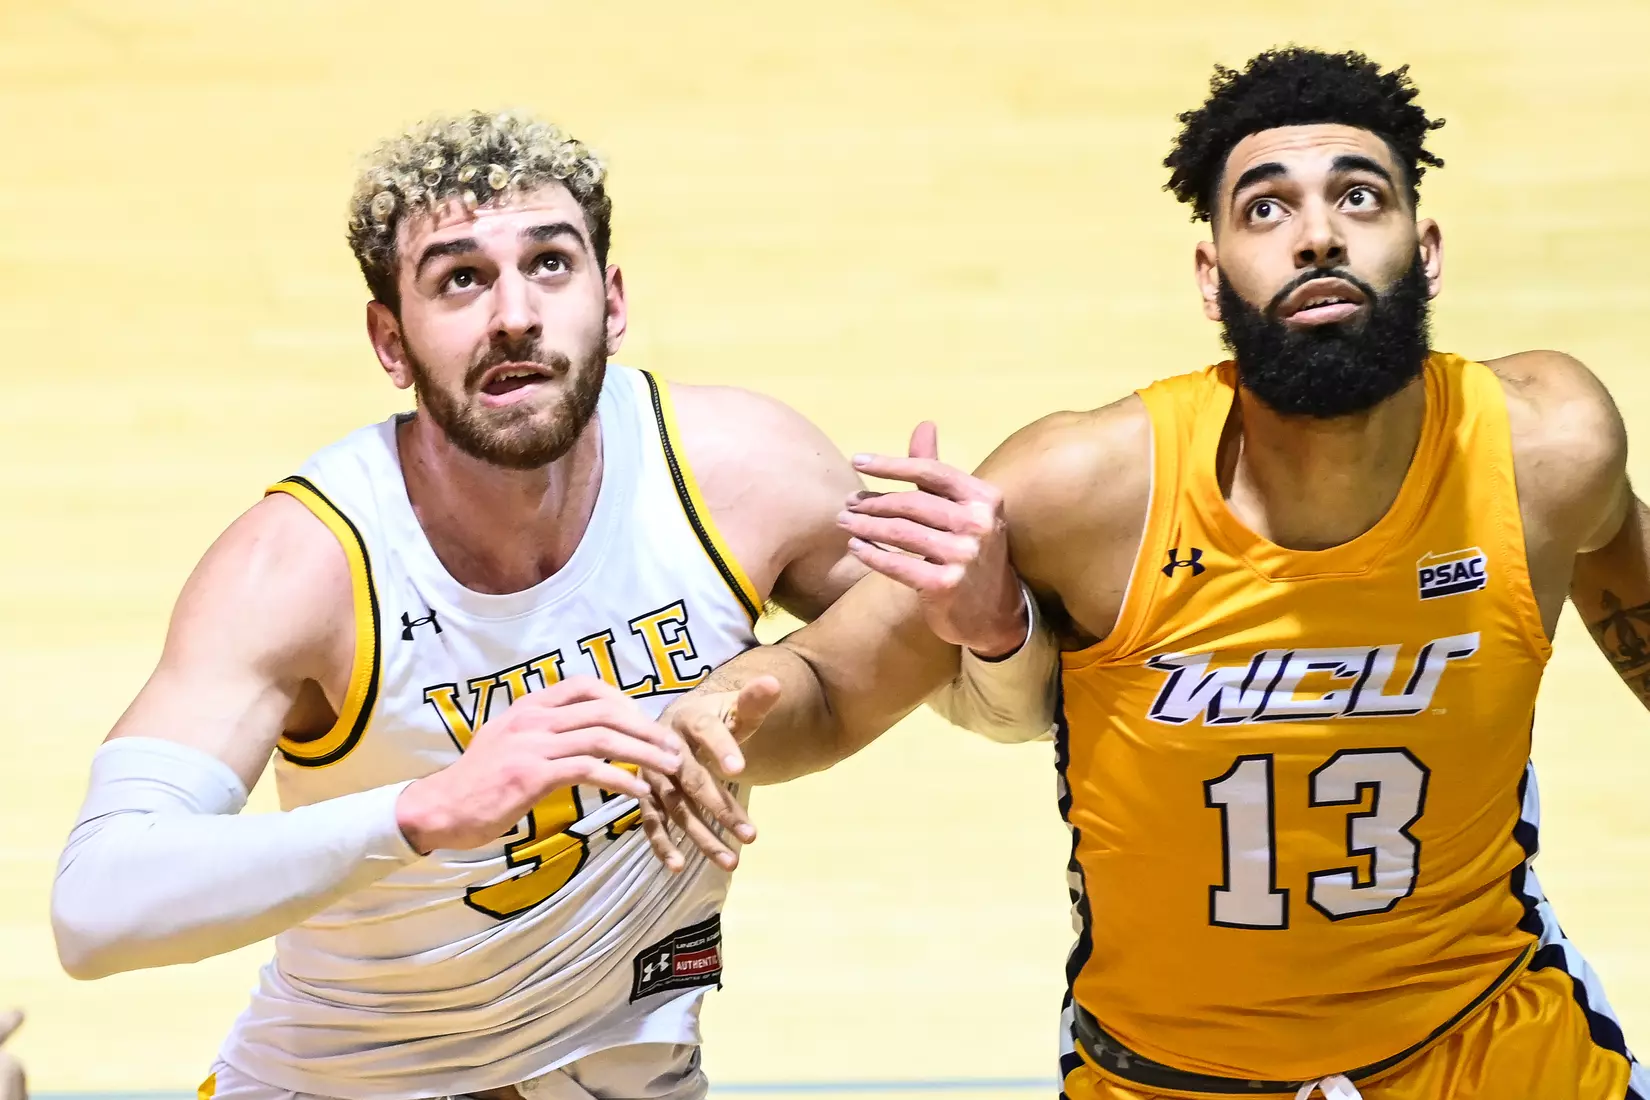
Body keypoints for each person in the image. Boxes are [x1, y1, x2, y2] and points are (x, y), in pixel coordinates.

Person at [656, 49, 1650, 1100]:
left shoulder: (1545, 449)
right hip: (1173, 1075)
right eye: (1266, 210)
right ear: (1211, 276)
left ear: (1428, 248)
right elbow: (823, 686)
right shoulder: (1088, 490)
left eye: (1359, 195)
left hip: (1484, 1037)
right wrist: (711, 710)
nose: (1318, 233)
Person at [49, 110, 1047, 1100]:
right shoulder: (304, 564)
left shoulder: (741, 470)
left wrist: (992, 622)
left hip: (626, 1067)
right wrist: (424, 807)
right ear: (389, 341)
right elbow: (96, 906)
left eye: (550, 264)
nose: (514, 313)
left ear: (612, 302)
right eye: (461, 279)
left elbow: (997, 706)